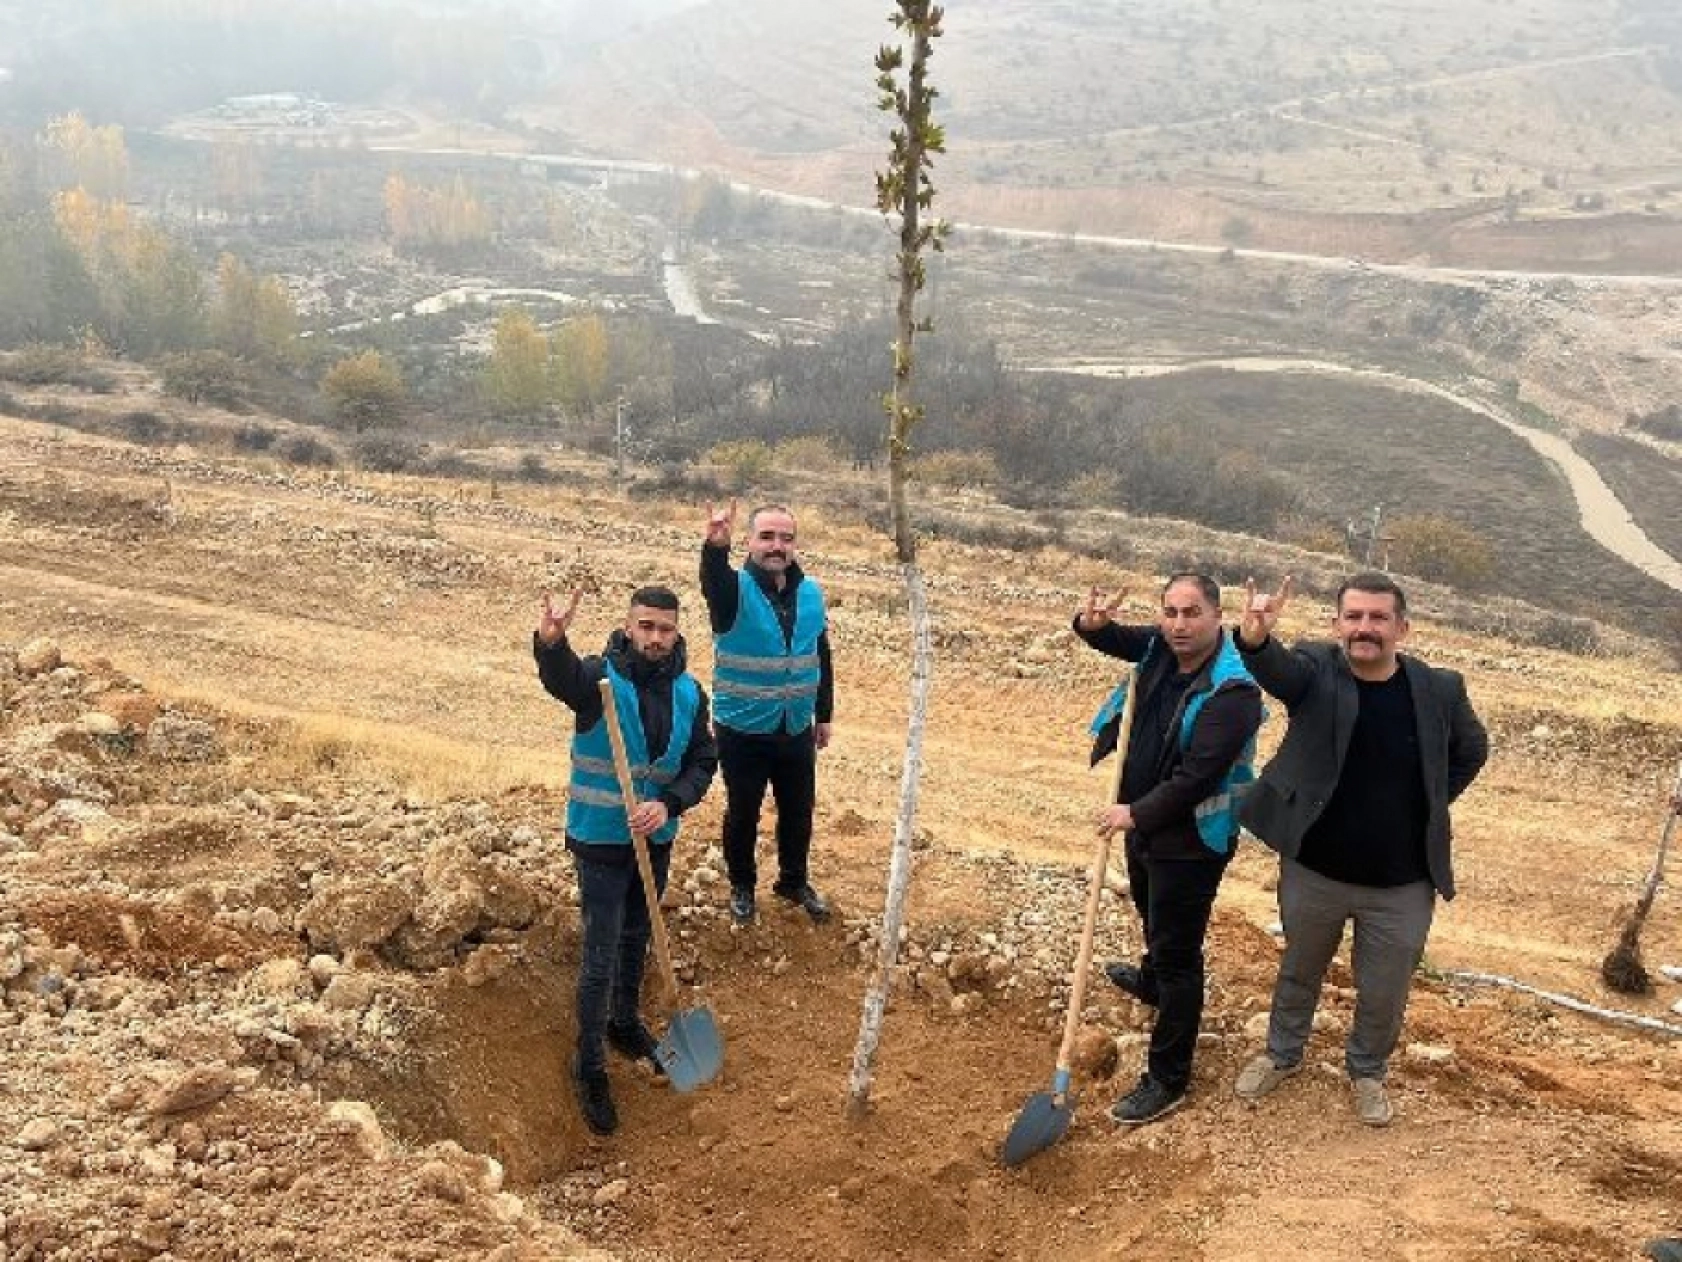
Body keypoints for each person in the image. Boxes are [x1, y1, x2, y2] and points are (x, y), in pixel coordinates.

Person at [1232, 571, 1488, 1127]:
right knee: (1300, 968)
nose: (1364, 628)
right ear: (1336, 624)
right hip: (1315, 870)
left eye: (1377, 618)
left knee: (1385, 989)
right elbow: (1278, 671)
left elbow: (1471, 751)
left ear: (1402, 627)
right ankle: (1281, 1054)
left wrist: (1432, 803)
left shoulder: (1440, 689)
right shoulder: (1316, 670)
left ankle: (1367, 1071)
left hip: (1402, 883)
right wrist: (1255, 638)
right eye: (1354, 617)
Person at [1075, 574, 1264, 1127]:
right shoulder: (1161, 646)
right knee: (1149, 909)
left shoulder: (1235, 691)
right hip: (1145, 824)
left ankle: (1168, 1076)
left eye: (1192, 613)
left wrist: (1133, 813)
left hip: (1192, 840)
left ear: (1216, 616)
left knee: (1180, 952)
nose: (1179, 624)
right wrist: (1091, 624)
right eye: (1171, 612)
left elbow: (1196, 778)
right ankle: (1152, 981)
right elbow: (1110, 639)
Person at [535, 584, 718, 1136]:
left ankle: (623, 1022)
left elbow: (703, 761)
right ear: (629, 626)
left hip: (654, 840)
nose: (655, 638)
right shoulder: (597, 681)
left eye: (665, 629)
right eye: (646, 627)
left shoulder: (690, 693)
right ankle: (588, 1064)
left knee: (638, 934)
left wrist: (670, 803)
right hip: (600, 839)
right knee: (600, 951)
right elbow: (560, 678)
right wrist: (551, 643)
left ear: (677, 631)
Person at [701, 500, 834, 924]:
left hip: (795, 726)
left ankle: (793, 881)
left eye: (786, 538)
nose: (776, 546)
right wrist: (713, 547)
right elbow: (713, 582)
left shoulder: (810, 591)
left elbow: (820, 652)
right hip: (742, 727)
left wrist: (824, 712)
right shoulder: (732, 589)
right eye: (767, 537)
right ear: (751, 541)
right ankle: (742, 884)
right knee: (744, 811)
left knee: (798, 810)